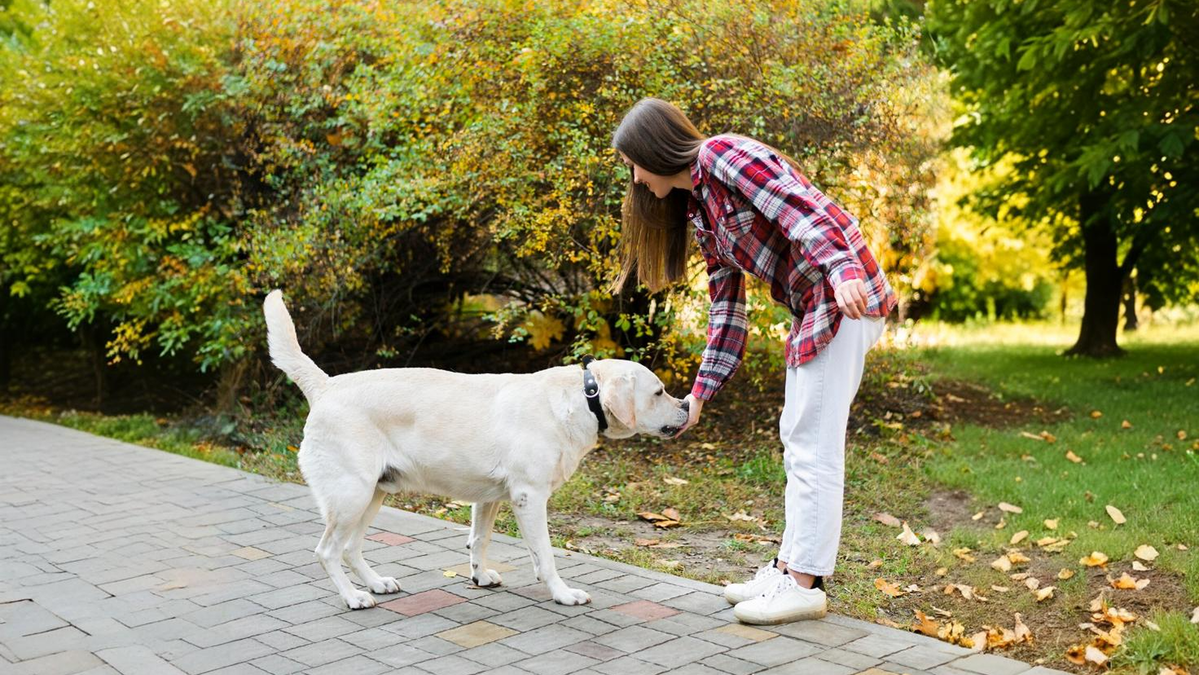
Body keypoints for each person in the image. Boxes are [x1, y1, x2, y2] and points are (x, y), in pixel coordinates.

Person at [610, 98, 896, 624]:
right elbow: (727, 310)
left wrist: (841, 269)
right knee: (798, 438)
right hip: (816, 306)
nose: (635, 177)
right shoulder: (700, 211)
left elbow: (803, 209)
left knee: (813, 445)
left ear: (653, 149)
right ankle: (788, 570)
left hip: (843, 298)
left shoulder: (722, 155)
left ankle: (805, 584)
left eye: (633, 163)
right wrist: (700, 394)